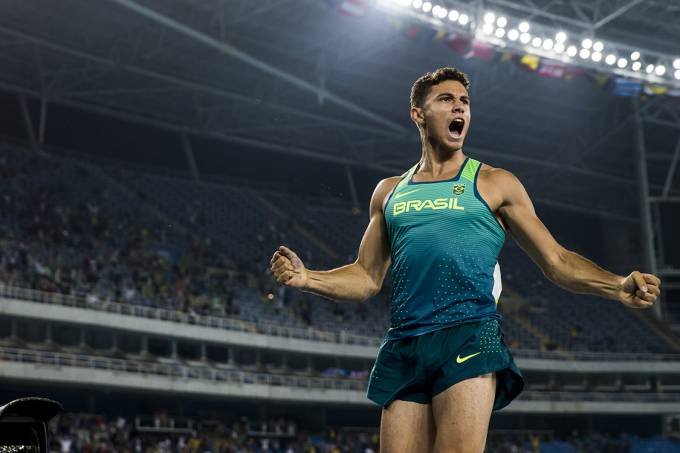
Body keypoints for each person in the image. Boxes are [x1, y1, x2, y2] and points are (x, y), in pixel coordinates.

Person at [269, 67, 661, 453]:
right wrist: (308, 278)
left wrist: (617, 285)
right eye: (446, 99)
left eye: (465, 101)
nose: (460, 108)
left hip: (468, 332)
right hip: (406, 341)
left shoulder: (494, 183)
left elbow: (556, 260)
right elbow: (366, 277)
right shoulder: (388, 192)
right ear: (418, 114)